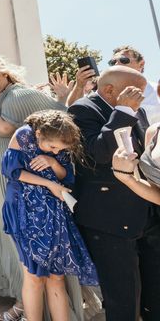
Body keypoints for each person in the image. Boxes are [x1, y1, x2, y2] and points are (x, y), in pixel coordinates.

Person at [0, 55, 82, 321]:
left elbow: (9, 127)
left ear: (6, 73)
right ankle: (22, 297)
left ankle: (30, 305)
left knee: (21, 240)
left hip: (12, 173)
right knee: (6, 237)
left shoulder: (16, 94)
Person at [68, 66, 160, 320]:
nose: (141, 97)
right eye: (135, 91)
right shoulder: (82, 110)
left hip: (147, 215)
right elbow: (96, 154)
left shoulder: (137, 111)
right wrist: (122, 111)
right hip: (110, 222)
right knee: (123, 297)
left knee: (155, 292)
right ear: (110, 90)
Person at [2, 111, 98, 321]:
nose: (57, 151)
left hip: (54, 213)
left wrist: (52, 162)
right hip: (24, 209)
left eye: (60, 149)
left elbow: (67, 177)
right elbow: (12, 172)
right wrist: (49, 183)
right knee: (35, 276)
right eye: (52, 147)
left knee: (56, 276)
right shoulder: (23, 135)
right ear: (38, 134)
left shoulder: (60, 142)